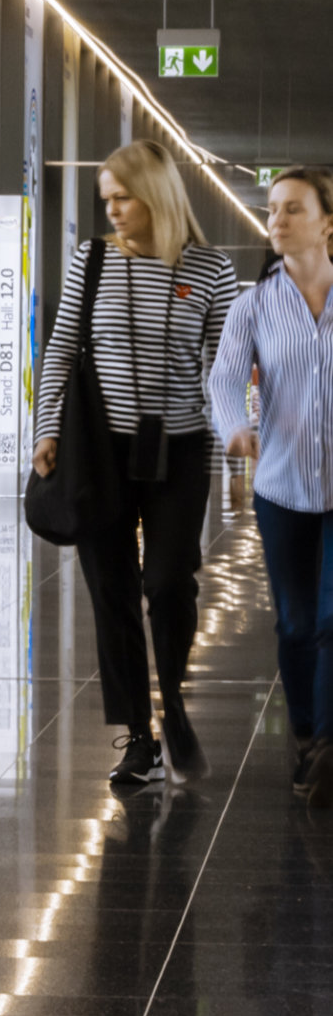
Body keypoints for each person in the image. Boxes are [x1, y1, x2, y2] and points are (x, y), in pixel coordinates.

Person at [34, 140, 239, 786]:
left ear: (156, 194)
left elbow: (224, 368)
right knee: (113, 591)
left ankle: (172, 700)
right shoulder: (90, 260)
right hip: (98, 447)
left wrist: (237, 434)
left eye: (123, 197)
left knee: (168, 580)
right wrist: (46, 430)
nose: (114, 211)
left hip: (179, 447)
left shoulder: (210, 270)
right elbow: (61, 348)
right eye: (107, 200)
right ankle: (139, 737)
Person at [208, 167, 333, 803]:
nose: (276, 220)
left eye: (292, 209)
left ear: (328, 224)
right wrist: (235, 426)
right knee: (295, 623)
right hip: (283, 485)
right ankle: (308, 734)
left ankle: (327, 747)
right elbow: (225, 378)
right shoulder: (253, 304)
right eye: (272, 210)